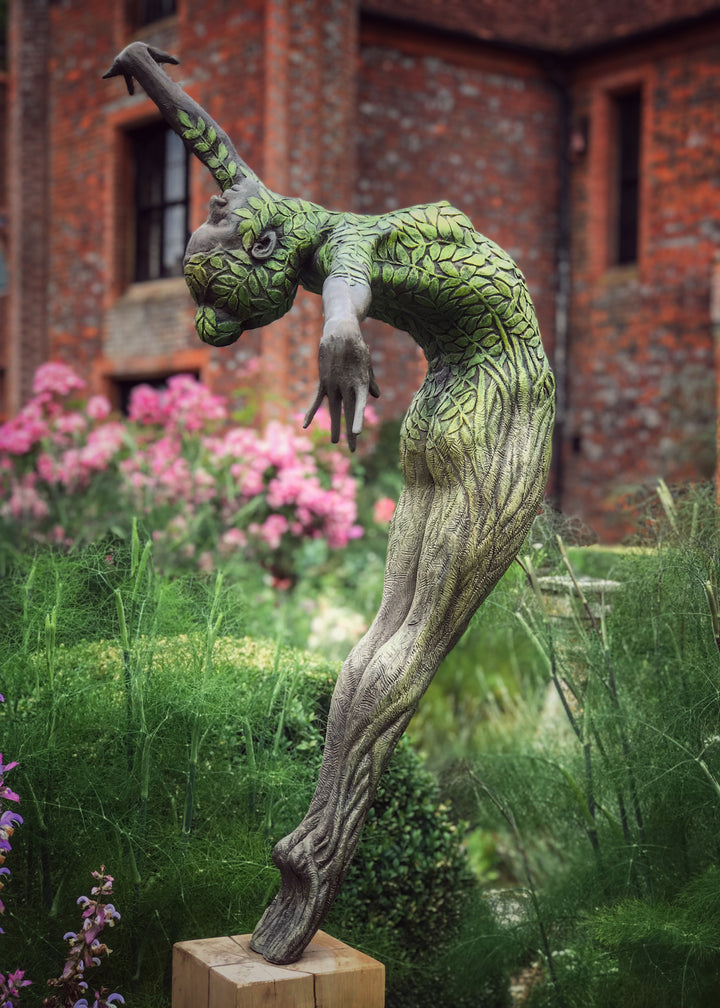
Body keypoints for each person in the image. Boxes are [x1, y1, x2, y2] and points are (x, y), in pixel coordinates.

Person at [105, 42, 555, 964]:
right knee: (411, 644)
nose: (228, 206)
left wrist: (341, 325)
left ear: (263, 236)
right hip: (492, 404)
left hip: (453, 406)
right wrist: (339, 328)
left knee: (386, 635)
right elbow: (251, 186)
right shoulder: (304, 225)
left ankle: (314, 839)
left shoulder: (307, 224)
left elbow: (237, 170)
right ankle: (320, 848)